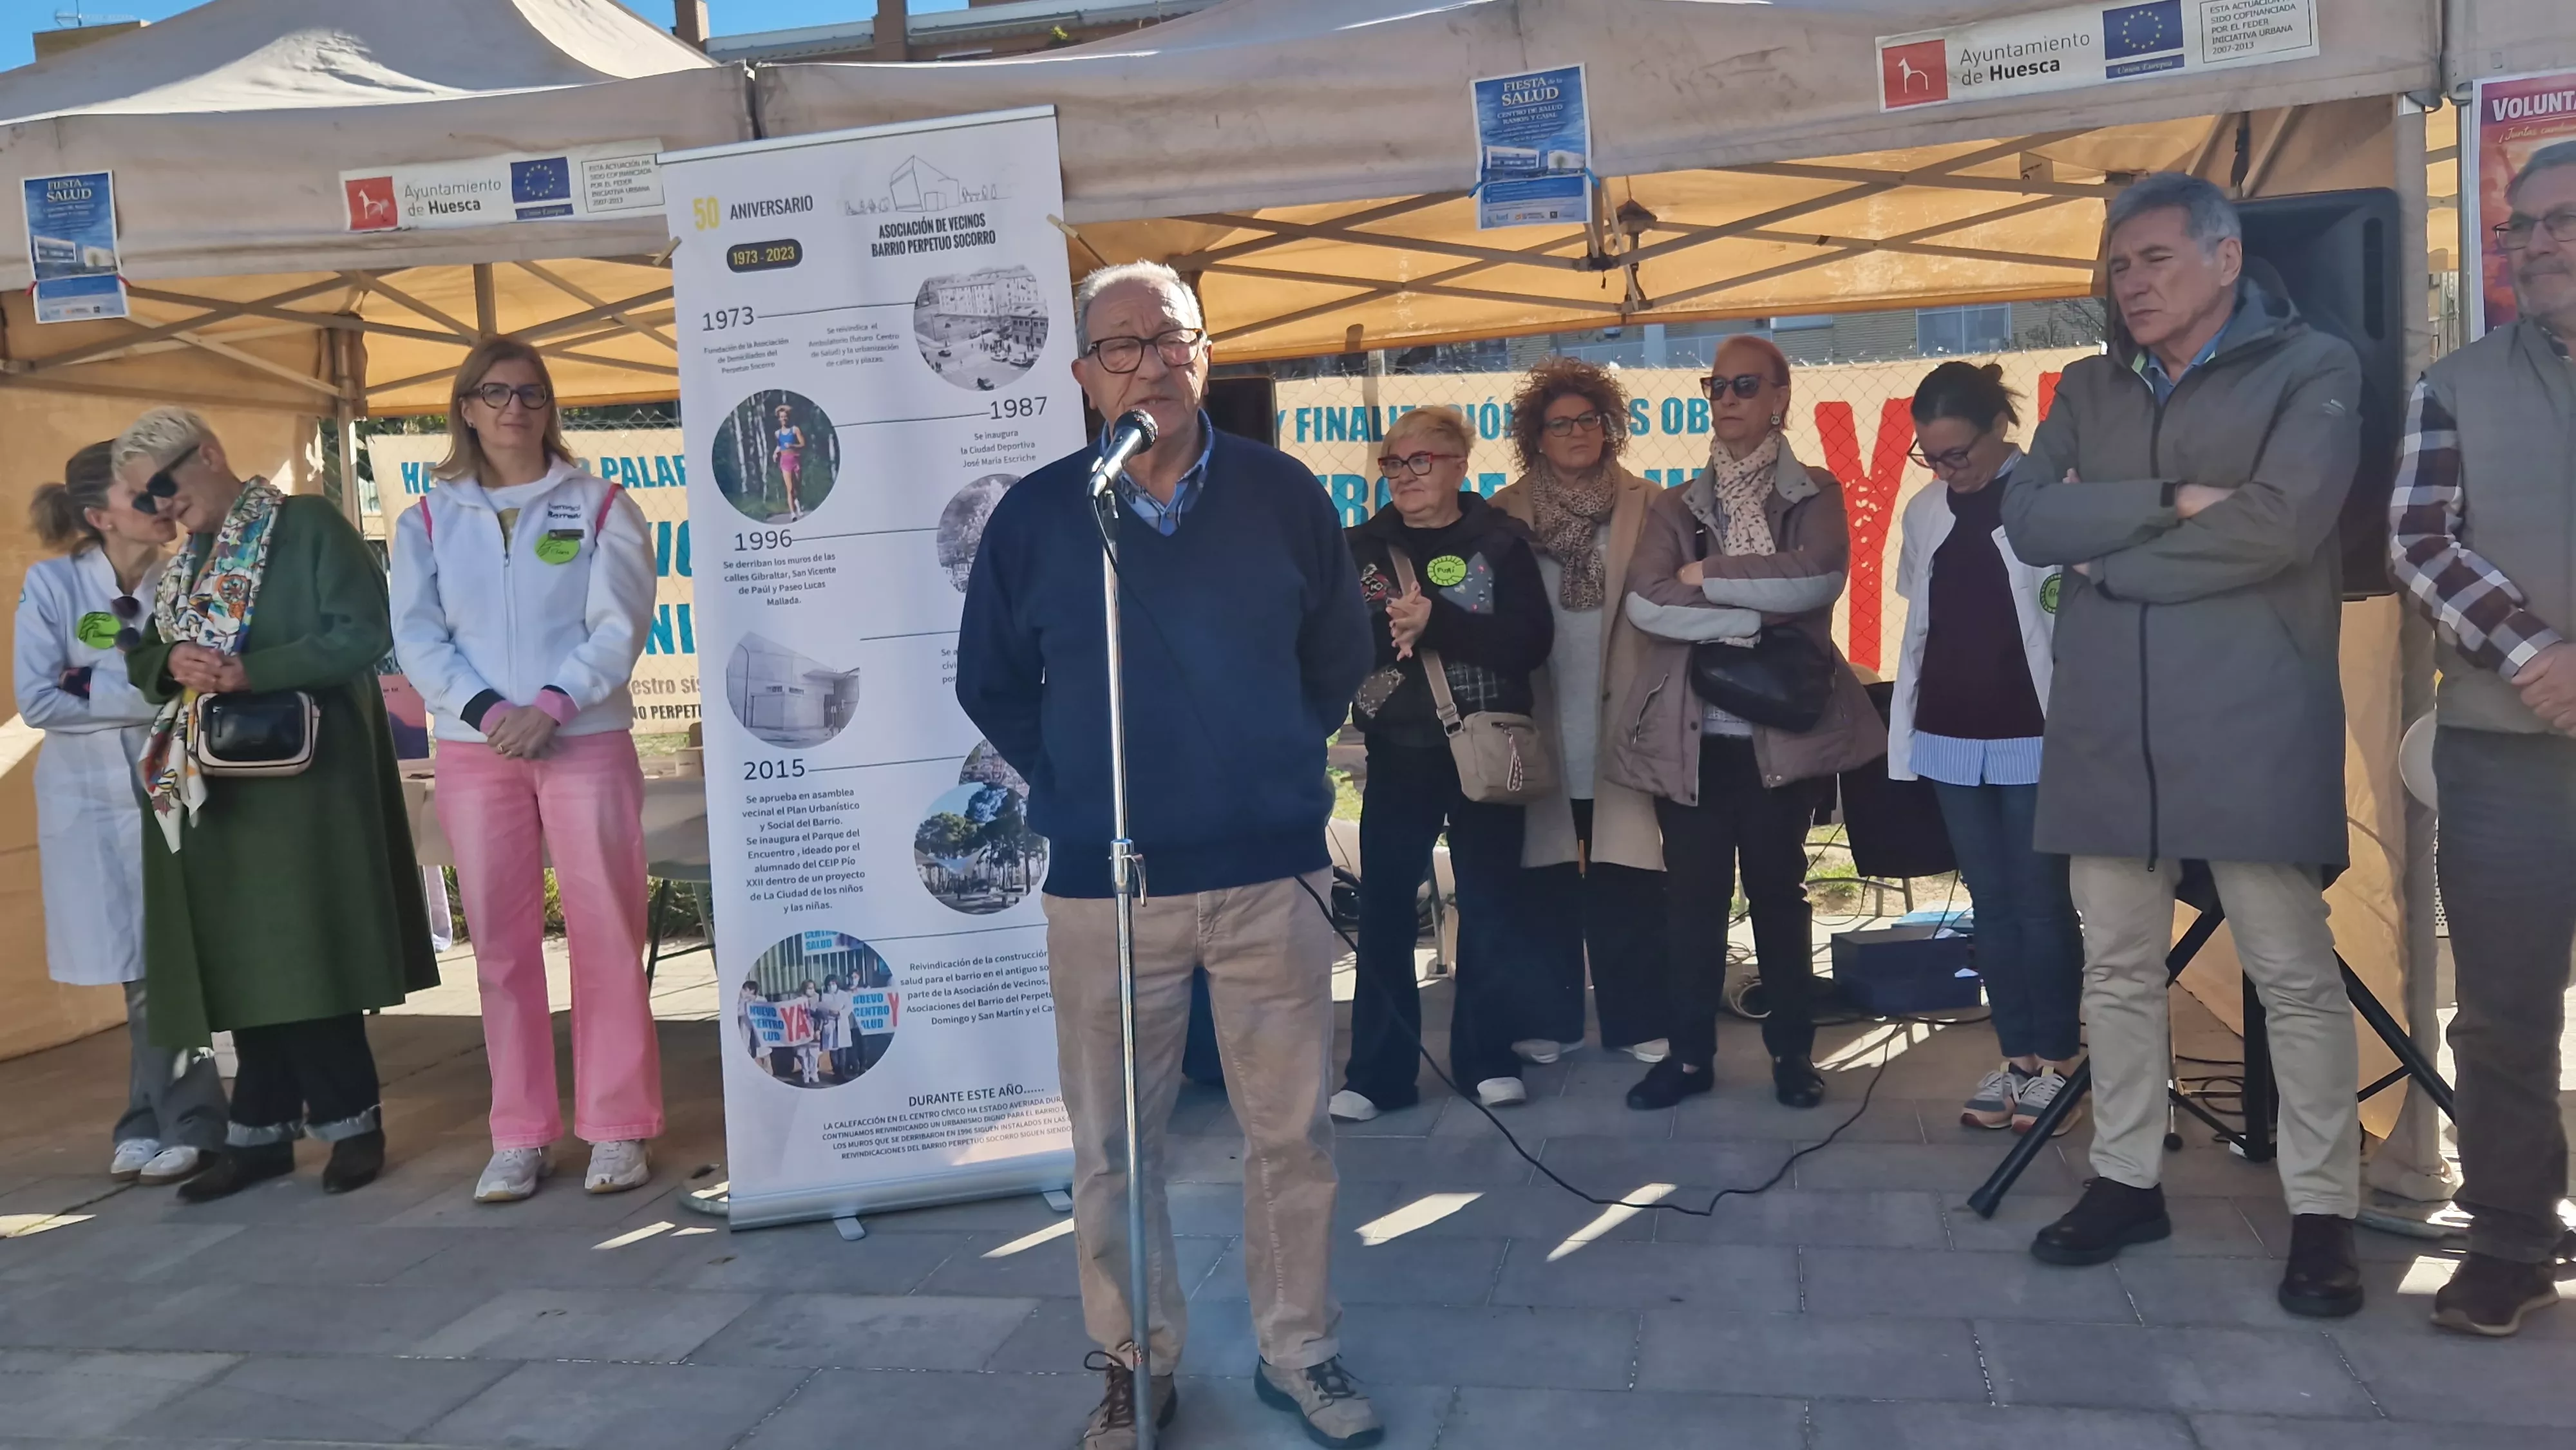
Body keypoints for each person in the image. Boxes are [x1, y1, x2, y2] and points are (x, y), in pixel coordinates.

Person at [956, 260, 1379, 1449]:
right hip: (1108, 884)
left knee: (1290, 1133)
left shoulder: (1282, 492)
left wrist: (1268, 759)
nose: (1151, 362)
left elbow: (1337, 652)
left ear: (1207, 352)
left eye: (1172, 337)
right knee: (1111, 1146)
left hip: (1268, 876)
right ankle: (1135, 1364)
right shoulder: (1041, 514)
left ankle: (1301, 1349)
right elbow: (991, 678)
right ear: (1084, 374)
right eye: (1122, 345)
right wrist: (1080, 781)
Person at [2000, 172, 2365, 1315]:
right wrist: (2175, 494)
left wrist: (2111, 560)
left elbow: (2279, 526)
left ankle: (2324, 1212)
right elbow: (2026, 516)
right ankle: (2126, 1179)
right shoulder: (2086, 386)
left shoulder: (2313, 366)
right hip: (2110, 723)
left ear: (2226, 257)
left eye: (2155, 257)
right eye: (2119, 265)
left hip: (2254, 716)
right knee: (2115, 966)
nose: (2133, 282)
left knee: (2292, 975)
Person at [118, 407, 439, 1201]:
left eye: (162, 486)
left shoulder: (308, 525)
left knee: (311, 950)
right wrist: (173, 660)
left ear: (208, 453)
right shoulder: (187, 561)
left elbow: (362, 631)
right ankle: (257, 1132)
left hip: (307, 778)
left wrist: (250, 672)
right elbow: (146, 654)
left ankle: (352, 1124)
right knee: (243, 960)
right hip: (214, 788)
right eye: (142, 498)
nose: (160, 507)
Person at [391, 336, 661, 1205]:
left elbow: (619, 626)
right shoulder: (426, 518)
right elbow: (417, 636)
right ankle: (520, 1134)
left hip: (583, 739)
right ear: (466, 409)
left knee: (606, 933)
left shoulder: (602, 504)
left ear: (551, 407)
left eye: (532, 393)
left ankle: (618, 1125)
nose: (515, 408)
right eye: (496, 393)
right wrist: (487, 713)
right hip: (478, 753)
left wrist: (550, 705)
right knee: (503, 948)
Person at [2389, 139, 2576, 1336]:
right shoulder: (2457, 384)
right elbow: (2420, 541)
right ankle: (2511, 1237)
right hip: (2509, 749)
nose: (2540, 244)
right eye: (2524, 226)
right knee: (2504, 1010)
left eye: (2565, 220)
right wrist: (2537, 656)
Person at [1607, 335, 1886, 1113]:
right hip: (1692, 740)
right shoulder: (1674, 504)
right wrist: (1753, 617)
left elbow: (1817, 579)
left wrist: (1705, 574)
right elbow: (1648, 603)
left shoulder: (1814, 492)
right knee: (1690, 904)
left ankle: (1792, 1055)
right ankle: (1688, 1058)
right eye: (1716, 385)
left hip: (1781, 739)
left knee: (1778, 895)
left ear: (1778, 399)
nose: (1726, 399)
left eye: (1744, 385)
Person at [14, 441, 226, 1187]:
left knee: (168, 960)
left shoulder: (187, 576)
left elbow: (196, 680)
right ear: (100, 516)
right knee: (140, 963)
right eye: (141, 493)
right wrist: (152, 684)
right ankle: (161, 1118)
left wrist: (90, 679)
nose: (161, 503)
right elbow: (39, 697)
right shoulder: (53, 585)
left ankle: (178, 1118)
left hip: (175, 787)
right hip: (89, 800)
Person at [1334, 405, 1553, 1119]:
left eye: (1420, 461)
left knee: (1489, 904)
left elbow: (1530, 643)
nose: (1403, 475)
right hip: (1399, 750)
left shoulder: (1500, 543)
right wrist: (1386, 633)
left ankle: (1487, 1058)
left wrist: (1439, 623)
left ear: (1459, 465)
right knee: (1385, 911)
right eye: (1393, 464)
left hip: (1485, 747)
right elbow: (1336, 640)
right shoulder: (1359, 548)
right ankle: (1377, 1075)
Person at [1887, 362, 2081, 1134]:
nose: (1943, 470)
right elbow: (1922, 620)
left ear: (1999, 428)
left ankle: (2060, 1061)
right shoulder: (1924, 511)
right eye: (1929, 456)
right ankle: (2018, 1060)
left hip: (2032, 732)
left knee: (2040, 902)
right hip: (1948, 733)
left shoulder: (2046, 497)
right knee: (1990, 904)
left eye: (1956, 454)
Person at [1490, 359, 1672, 1068]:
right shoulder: (1503, 513)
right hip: (1542, 709)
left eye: (1588, 420)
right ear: (1535, 436)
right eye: (1559, 423)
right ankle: (1549, 1018)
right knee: (1545, 874)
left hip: (1625, 711)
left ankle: (1639, 1018)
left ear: (1609, 426)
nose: (1575, 433)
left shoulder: (1650, 504)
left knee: (1630, 872)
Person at [773, 404, 806, 522]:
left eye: (785, 417)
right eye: (782, 417)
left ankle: (798, 503)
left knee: (797, 487)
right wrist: (775, 453)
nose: (784, 419)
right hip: (785, 461)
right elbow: (779, 446)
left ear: (789, 417)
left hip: (795, 460)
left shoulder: (795, 430)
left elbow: (803, 444)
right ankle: (792, 513)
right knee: (790, 488)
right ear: (779, 419)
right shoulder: (777, 433)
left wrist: (792, 446)